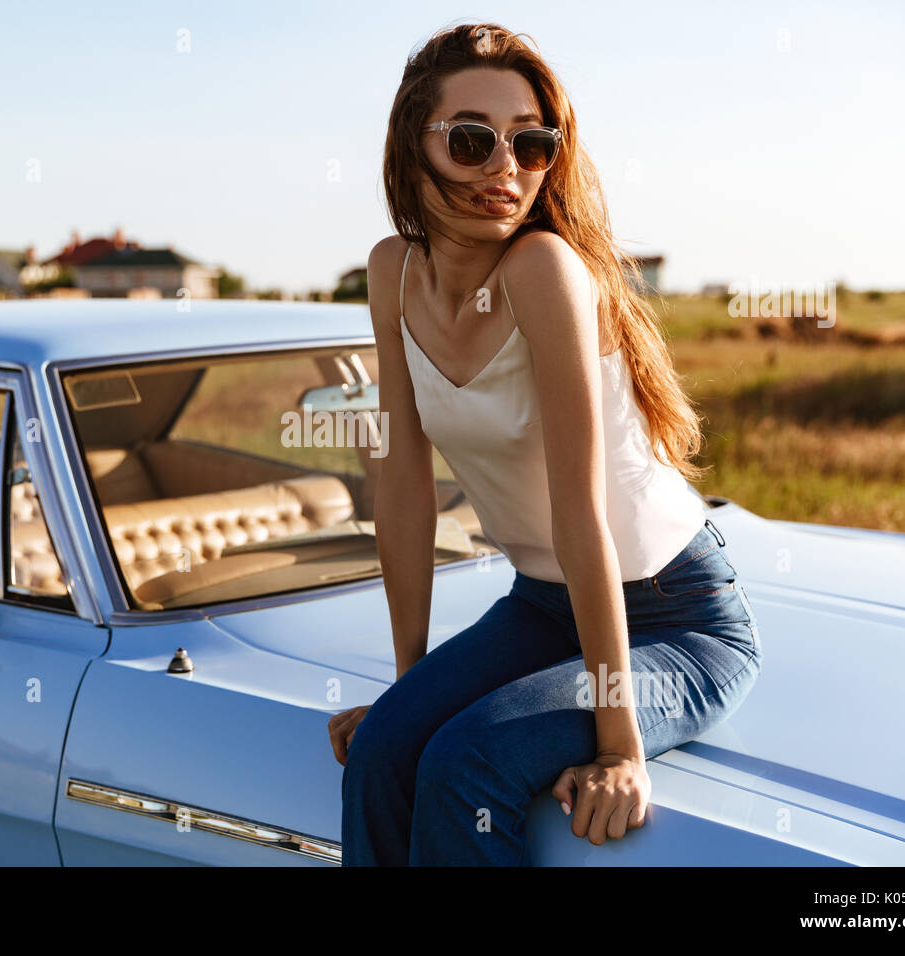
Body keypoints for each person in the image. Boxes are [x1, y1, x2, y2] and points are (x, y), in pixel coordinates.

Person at [328, 21, 763, 866]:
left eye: (531, 145)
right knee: (384, 751)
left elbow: (581, 512)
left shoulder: (544, 269)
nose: (505, 169)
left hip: (677, 617)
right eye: (472, 140)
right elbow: (405, 491)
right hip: (544, 605)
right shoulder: (393, 272)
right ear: (411, 146)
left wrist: (620, 748)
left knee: (464, 766)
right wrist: (406, 693)